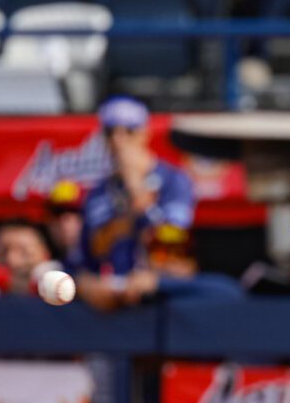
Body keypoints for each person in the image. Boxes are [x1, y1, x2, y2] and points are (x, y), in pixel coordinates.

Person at [77, 96, 195, 311]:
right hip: (109, 299)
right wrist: (86, 283)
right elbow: (87, 256)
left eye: (128, 131)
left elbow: (172, 243)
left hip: (160, 295)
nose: (118, 140)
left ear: (144, 133)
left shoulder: (174, 179)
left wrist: (136, 187)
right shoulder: (98, 191)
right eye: (110, 132)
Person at [44, 179, 84, 273]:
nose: (63, 223)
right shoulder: (44, 257)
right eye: (57, 213)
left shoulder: (103, 253)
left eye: (73, 212)